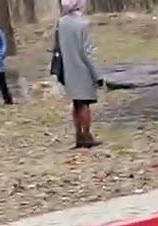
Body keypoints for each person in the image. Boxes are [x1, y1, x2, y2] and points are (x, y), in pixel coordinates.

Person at [55, 0, 104, 149]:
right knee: (85, 104)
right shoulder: (83, 24)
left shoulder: (61, 23)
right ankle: (87, 136)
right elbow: (87, 52)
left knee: (76, 103)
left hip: (68, 69)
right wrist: (97, 75)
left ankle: (78, 135)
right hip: (83, 69)